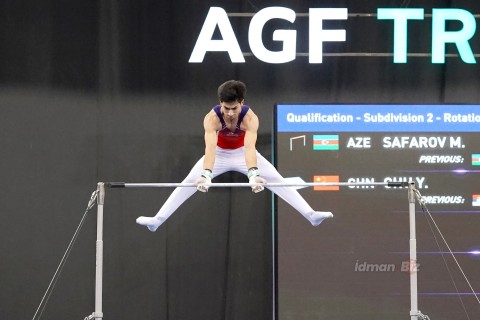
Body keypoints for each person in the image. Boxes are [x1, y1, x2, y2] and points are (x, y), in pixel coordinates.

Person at [136, 80, 333, 231]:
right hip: (219, 154)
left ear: (242, 103)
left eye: (234, 108)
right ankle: (157, 220)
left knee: (277, 180)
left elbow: (249, 148)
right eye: (226, 108)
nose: (230, 113)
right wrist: (206, 174)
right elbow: (210, 148)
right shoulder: (212, 118)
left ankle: (311, 215)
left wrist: (253, 175)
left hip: (242, 153)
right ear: (220, 103)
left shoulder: (250, 118)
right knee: (189, 182)